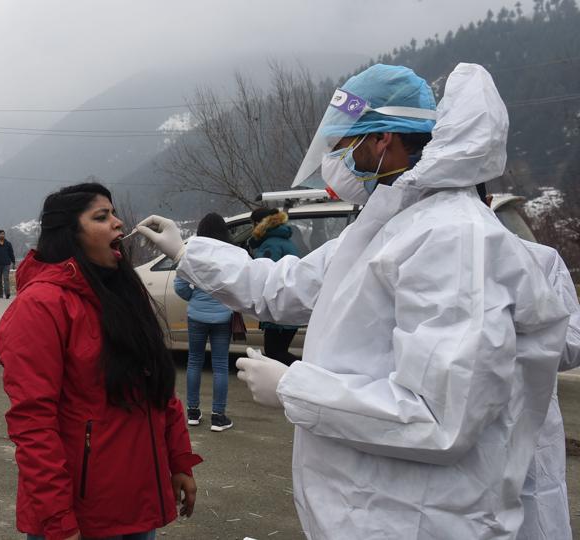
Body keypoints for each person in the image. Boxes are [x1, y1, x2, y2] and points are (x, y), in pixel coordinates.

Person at [137, 64, 569, 539]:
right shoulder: (392, 225)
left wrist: (294, 388)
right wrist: (188, 251)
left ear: (384, 138)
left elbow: (441, 417)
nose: (342, 156)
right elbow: (284, 284)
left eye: (349, 141)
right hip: (378, 511)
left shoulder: (453, 237)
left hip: (425, 518)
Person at [0, 182, 202, 540]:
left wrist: (179, 458)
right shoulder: (41, 305)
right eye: (102, 216)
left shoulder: (123, 291)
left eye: (114, 213)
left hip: (138, 506)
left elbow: (156, 388)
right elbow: (33, 424)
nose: (118, 224)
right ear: (70, 234)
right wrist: (59, 521)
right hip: (80, 515)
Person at [477, 183, 579, 540]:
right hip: (457, 438)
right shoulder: (417, 259)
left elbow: (571, 347)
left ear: (486, 202)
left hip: (527, 433)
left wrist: (514, 334)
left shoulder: (541, 259)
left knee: (533, 518)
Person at [173, 213, 234, 432]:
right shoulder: (231, 254)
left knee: (194, 361)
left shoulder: (192, 254)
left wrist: (195, 298)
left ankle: (192, 413)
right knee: (220, 365)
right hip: (223, 317)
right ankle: (218, 417)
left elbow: (180, 287)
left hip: (196, 316)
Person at [247, 208, 300, 365]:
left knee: (275, 352)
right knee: (278, 351)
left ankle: (304, 375)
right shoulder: (284, 241)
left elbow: (264, 277)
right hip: (288, 307)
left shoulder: (270, 245)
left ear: (259, 224)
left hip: (279, 311)